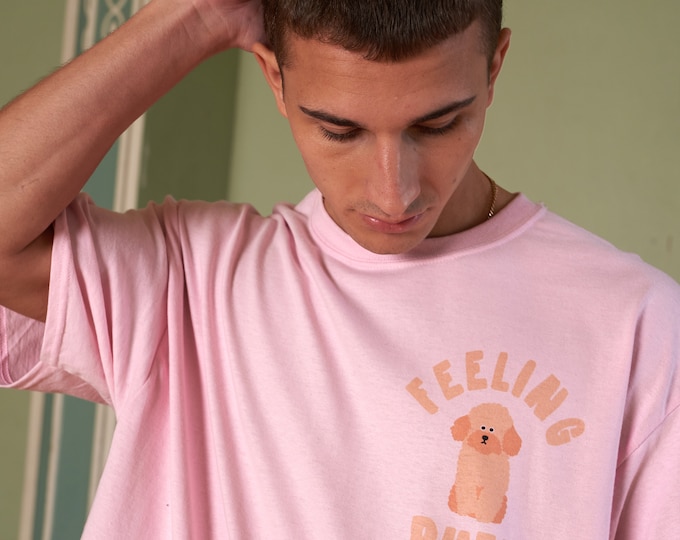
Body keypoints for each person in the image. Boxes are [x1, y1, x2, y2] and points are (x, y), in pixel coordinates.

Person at [0, 0, 678, 538]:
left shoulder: (634, 324)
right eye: (340, 131)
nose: (394, 193)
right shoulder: (187, 284)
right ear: (275, 80)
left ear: (494, 68)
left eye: (438, 125)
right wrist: (196, 15)